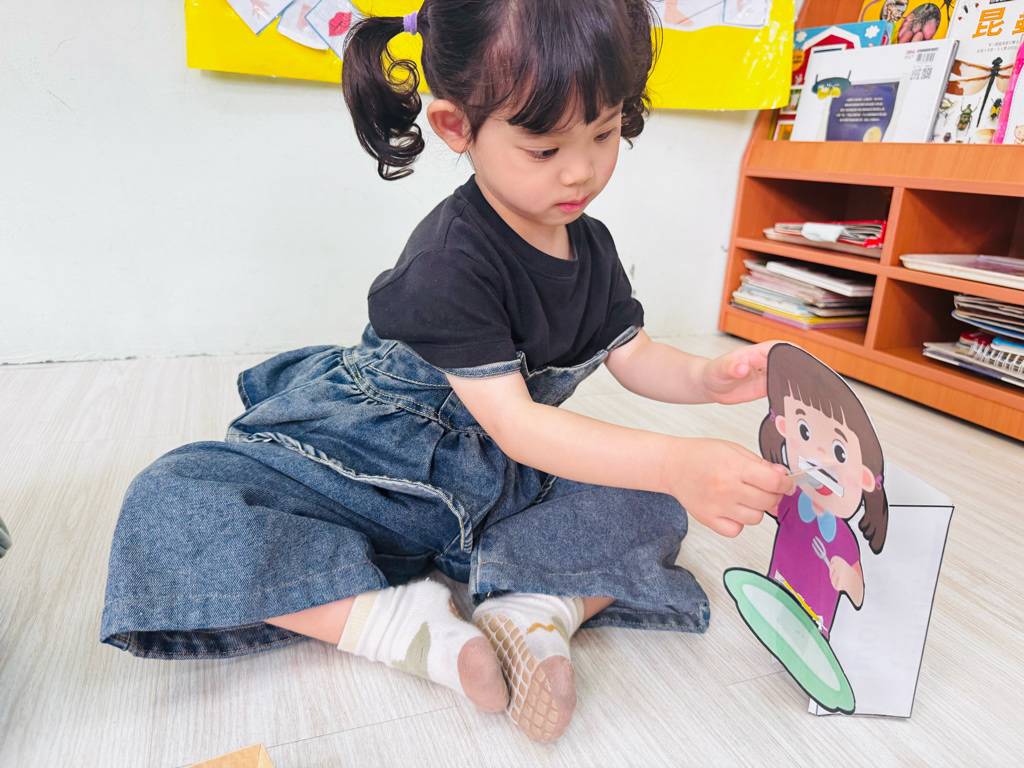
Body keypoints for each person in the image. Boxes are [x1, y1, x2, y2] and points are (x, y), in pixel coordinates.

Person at [100, 0, 792, 743]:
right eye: (543, 148)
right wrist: (677, 459)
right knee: (171, 498)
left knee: (654, 507)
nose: (583, 170)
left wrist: (707, 379)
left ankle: (533, 613)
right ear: (457, 127)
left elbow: (634, 353)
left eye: (603, 131)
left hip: (503, 480)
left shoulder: (589, 243)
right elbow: (518, 423)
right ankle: (397, 624)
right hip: (376, 466)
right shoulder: (449, 259)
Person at [758, 344, 888, 638]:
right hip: (778, 596)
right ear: (784, 427)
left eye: (839, 451)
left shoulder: (844, 540)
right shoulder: (792, 498)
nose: (818, 455)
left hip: (814, 628)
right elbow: (765, 502)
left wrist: (848, 578)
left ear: (865, 478)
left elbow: (859, 594)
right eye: (804, 431)